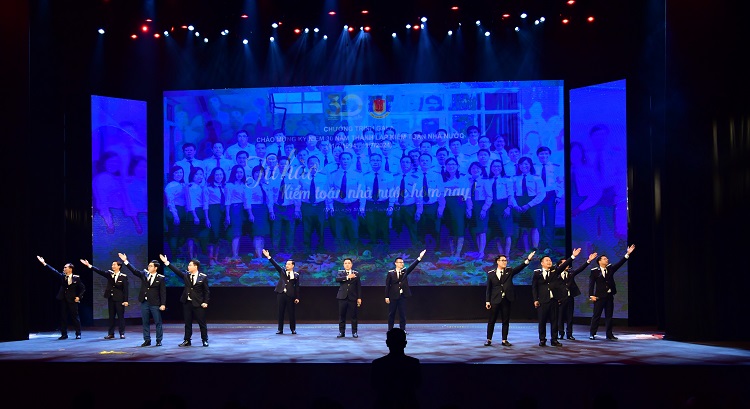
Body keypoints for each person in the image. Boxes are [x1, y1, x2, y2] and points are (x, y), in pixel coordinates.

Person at [484, 251, 535, 347]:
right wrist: (487, 301)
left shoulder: (509, 271)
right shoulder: (491, 274)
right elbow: (489, 289)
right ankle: (489, 339)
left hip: (506, 299)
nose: (505, 262)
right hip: (495, 299)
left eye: (505, 260)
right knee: (491, 320)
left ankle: (504, 340)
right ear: (497, 262)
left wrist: (528, 259)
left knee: (505, 320)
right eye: (503, 260)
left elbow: (519, 268)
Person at [531, 249, 581, 347]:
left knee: (554, 321)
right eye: (547, 260)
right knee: (542, 321)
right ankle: (542, 339)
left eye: (550, 260)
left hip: (554, 300)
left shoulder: (555, 271)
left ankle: (554, 339)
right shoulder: (537, 273)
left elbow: (563, 265)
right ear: (542, 263)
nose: (549, 262)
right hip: (543, 301)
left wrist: (573, 256)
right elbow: (534, 287)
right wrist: (535, 299)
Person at [160, 254, 210, 347]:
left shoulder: (203, 277)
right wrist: (167, 262)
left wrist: (205, 302)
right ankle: (187, 340)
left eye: (190, 265)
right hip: (187, 302)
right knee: (187, 323)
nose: (188, 267)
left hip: (198, 303)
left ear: (195, 266)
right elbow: (177, 271)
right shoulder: (186, 275)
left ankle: (204, 340)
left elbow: (206, 291)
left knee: (202, 323)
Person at [589, 244, 636, 340]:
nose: (607, 260)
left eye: (607, 258)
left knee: (609, 316)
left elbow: (620, 263)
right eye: (604, 259)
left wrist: (627, 254)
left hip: (609, 296)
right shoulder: (594, 271)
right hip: (599, 297)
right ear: (599, 261)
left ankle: (609, 334)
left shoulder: (610, 269)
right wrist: (591, 295)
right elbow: (591, 284)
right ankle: (592, 333)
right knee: (596, 315)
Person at [119, 252, 166, 347]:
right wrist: (125, 261)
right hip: (144, 302)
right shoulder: (144, 274)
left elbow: (163, 292)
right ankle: (147, 340)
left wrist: (163, 304)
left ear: (155, 268)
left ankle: (158, 340)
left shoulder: (160, 278)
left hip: (155, 303)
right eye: (148, 266)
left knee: (158, 322)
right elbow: (134, 271)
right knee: (145, 322)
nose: (149, 267)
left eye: (151, 266)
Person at [370, 328, 422, 409]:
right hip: (408, 404)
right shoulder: (413, 363)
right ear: (405, 343)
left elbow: (374, 386)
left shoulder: (378, 364)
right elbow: (418, 384)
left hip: (384, 405)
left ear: (387, 343)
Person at [36, 256, 85, 340]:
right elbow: (54, 271)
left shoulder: (76, 278)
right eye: (64, 267)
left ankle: (78, 333)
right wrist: (44, 263)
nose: (64, 268)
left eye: (66, 267)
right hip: (63, 299)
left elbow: (83, 288)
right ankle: (64, 334)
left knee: (75, 317)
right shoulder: (63, 276)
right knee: (63, 317)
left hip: (72, 299)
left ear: (70, 269)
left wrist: (79, 297)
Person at [80, 258, 129, 339]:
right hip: (111, 298)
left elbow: (125, 290)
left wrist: (126, 301)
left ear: (119, 266)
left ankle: (122, 333)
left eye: (114, 265)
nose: (112, 266)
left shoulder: (123, 277)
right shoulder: (109, 274)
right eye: (112, 265)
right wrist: (89, 265)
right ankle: (111, 333)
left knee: (120, 316)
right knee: (111, 317)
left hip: (119, 299)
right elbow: (100, 271)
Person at [557, 251, 598, 340]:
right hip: (560, 299)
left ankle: (569, 334)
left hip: (570, 298)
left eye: (567, 263)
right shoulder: (556, 274)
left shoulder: (571, 273)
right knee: (560, 317)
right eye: (564, 263)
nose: (567, 265)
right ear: (560, 265)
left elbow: (580, 269)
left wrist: (588, 261)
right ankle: (561, 333)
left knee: (570, 317)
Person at [385, 250, 427, 333]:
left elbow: (412, 266)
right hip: (393, 296)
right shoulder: (390, 273)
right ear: (396, 263)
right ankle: (390, 329)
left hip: (402, 296)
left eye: (402, 262)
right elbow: (387, 286)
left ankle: (403, 329)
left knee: (402, 314)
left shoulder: (404, 272)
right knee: (391, 314)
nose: (402, 264)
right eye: (400, 262)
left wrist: (419, 258)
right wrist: (386, 296)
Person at [263, 249, 300, 335]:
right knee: (280, 312)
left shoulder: (296, 275)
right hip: (281, 294)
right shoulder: (282, 271)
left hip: (290, 295)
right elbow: (275, 265)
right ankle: (280, 329)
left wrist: (297, 297)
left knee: (291, 313)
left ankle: (293, 329)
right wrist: (268, 257)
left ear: (293, 266)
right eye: (286, 264)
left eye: (289, 264)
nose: (287, 265)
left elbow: (297, 287)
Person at [335, 258, 362, 338]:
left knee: (354, 316)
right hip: (342, 297)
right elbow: (337, 279)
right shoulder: (340, 273)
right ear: (343, 265)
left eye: (349, 263)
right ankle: (341, 332)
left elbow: (358, 286)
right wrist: (347, 277)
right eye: (345, 263)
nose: (347, 264)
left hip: (352, 297)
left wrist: (359, 298)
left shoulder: (356, 273)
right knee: (342, 316)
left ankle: (354, 332)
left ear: (351, 264)